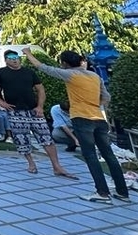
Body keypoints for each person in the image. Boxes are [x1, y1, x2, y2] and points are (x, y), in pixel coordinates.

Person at [24, 47, 130, 203]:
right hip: (99, 119)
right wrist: (95, 105)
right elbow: (106, 97)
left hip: (82, 118)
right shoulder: (95, 76)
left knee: (90, 156)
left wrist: (27, 53)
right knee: (109, 155)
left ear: (65, 64)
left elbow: (43, 67)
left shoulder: (70, 74)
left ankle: (102, 193)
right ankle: (123, 193)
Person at [0, 49, 76, 178]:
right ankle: (31, 163)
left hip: (33, 110)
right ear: (6, 60)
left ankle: (56, 166)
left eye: (16, 57)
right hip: (15, 111)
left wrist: (40, 106)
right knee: (22, 139)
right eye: (11, 58)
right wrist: (0, 101)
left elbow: (40, 89)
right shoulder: (1, 73)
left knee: (46, 137)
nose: (15, 60)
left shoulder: (29, 72)